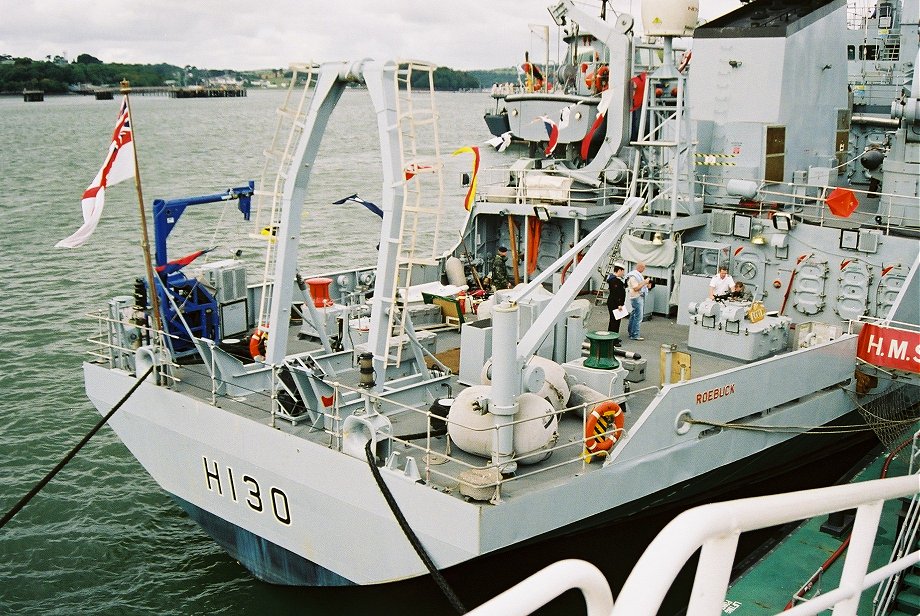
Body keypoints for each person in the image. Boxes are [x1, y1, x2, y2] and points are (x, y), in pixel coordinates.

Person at [625, 262, 652, 341]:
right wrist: (645, 282)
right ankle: (635, 334)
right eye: (643, 267)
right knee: (638, 317)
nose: (644, 269)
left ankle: (631, 332)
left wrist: (645, 285)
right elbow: (636, 288)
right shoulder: (634, 277)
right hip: (636, 297)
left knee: (634, 315)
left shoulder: (636, 275)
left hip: (636, 297)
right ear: (640, 267)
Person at [606, 264, 626, 337]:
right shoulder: (614, 281)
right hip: (615, 304)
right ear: (619, 270)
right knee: (615, 321)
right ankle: (613, 338)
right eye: (623, 271)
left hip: (615, 303)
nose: (623, 273)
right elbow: (616, 294)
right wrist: (619, 304)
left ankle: (614, 336)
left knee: (615, 320)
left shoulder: (616, 280)